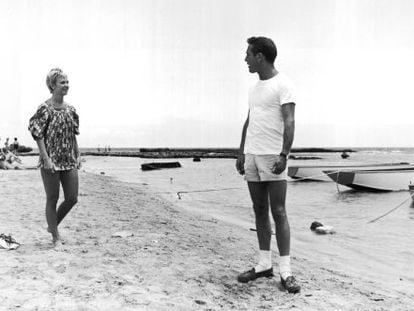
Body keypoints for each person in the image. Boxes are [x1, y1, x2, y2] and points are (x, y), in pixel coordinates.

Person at [235, 37, 300, 293]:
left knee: (279, 211)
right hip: (252, 155)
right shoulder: (254, 88)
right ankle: (264, 264)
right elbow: (249, 121)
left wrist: (284, 154)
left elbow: (290, 122)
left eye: (248, 55)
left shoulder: (283, 84)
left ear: (260, 56)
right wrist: (241, 153)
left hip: (273, 156)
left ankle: (286, 271)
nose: (246, 60)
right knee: (259, 209)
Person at [28, 68, 81, 249]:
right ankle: (55, 237)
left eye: (67, 82)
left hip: (68, 159)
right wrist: (45, 158)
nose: (66, 85)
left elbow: (73, 135)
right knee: (52, 198)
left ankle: (52, 226)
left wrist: (78, 154)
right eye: (62, 82)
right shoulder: (45, 109)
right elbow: (38, 134)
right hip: (50, 159)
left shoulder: (71, 110)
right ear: (52, 85)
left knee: (72, 198)